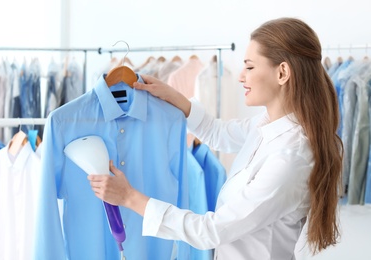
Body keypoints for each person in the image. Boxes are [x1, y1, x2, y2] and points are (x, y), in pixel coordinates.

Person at [88, 17, 343, 260]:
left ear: (282, 73)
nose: (241, 75)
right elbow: (217, 132)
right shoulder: (266, 125)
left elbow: (211, 230)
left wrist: (129, 198)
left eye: (250, 66)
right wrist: (172, 96)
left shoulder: (290, 158)